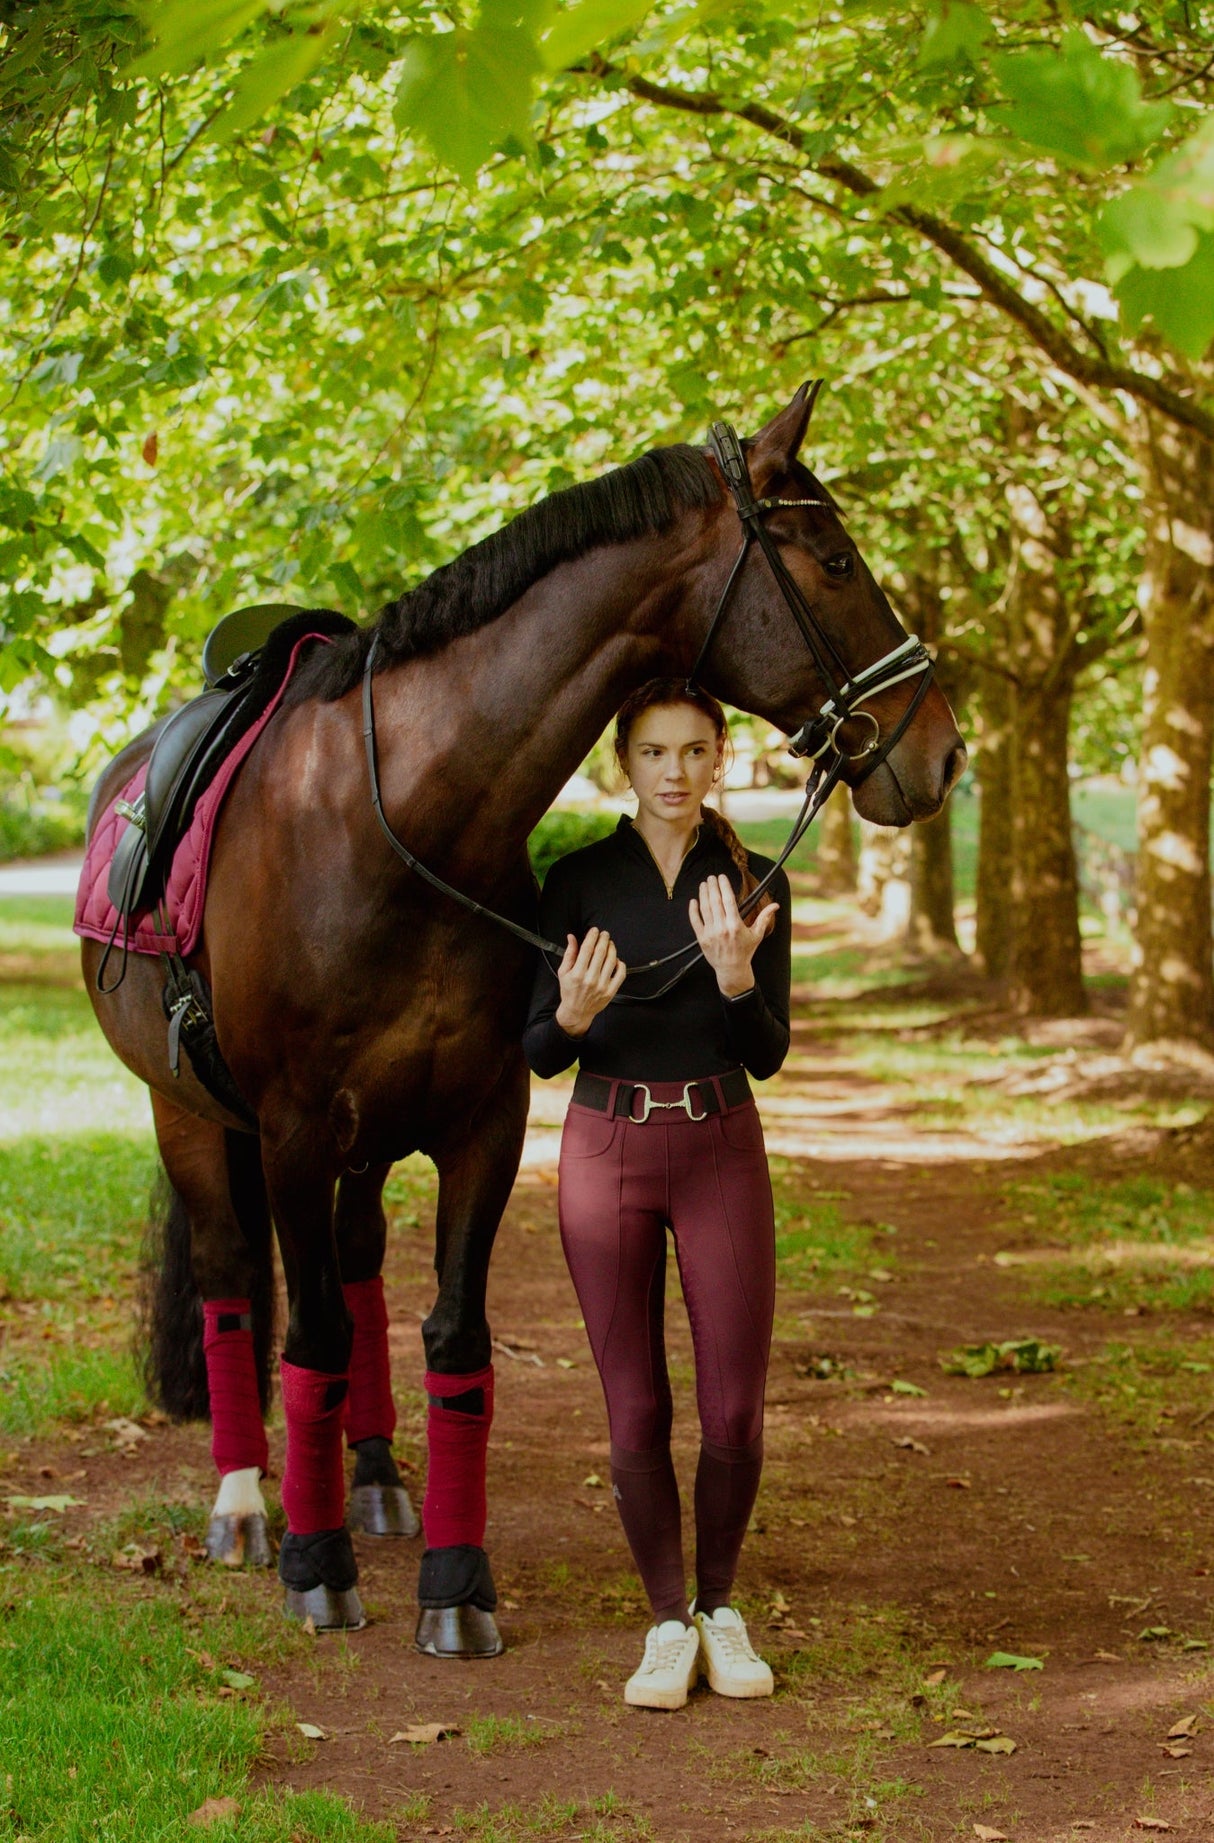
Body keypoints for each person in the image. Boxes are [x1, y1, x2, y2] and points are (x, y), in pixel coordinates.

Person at [523, 677, 792, 1711]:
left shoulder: (756, 879)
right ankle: (665, 1619)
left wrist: (733, 981)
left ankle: (720, 1609)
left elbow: (768, 1050)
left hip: (721, 1142)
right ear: (620, 765)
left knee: (732, 1402)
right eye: (652, 753)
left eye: (692, 751)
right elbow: (537, 1051)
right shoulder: (577, 880)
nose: (674, 772)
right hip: (606, 1148)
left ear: (718, 756)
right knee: (632, 1403)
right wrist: (575, 1013)